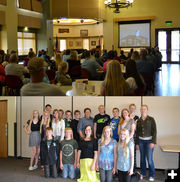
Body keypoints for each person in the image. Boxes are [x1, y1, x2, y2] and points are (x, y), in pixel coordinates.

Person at [136, 105, 157, 181]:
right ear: (140, 110)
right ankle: (143, 173)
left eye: (144, 109)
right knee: (142, 158)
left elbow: (154, 131)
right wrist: (137, 143)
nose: (143, 110)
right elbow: (137, 132)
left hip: (149, 142)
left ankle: (152, 175)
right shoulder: (138, 120)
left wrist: (153, 142)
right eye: (141, 109)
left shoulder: (151, 119)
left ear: (147, 110)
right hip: (141, 141)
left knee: (149, 159)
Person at [129, 104, 139, 170]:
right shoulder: (126, 116)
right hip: (126, 136)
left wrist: (131, 120)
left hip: (134, 136)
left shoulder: (137, 117)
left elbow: (134, 128)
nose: (132, 109)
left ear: (135, 109)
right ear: (129, 108)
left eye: (133, 108)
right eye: (131, 108)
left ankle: (133, 169)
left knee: (133, 153)